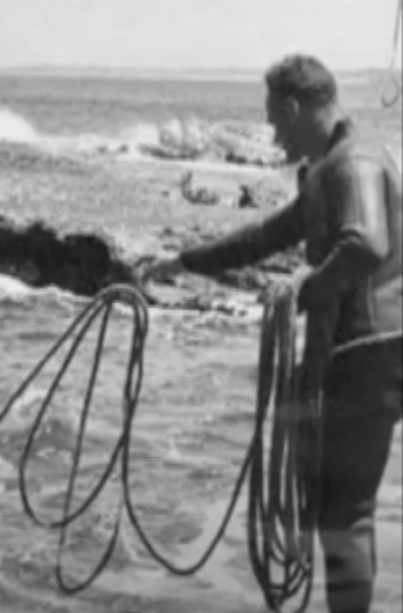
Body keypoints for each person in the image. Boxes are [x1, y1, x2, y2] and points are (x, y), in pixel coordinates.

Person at [142, 54, 402, 613]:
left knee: (346, 508)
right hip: (371, 348)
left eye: (273, 119)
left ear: (293, 105)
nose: (272, 134)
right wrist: (185, 261)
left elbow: (367, 245)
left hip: (369, 350)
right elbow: (266, 237)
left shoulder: (351, 163)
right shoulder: (334, 164)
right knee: (339, 503)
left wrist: (302, 292)